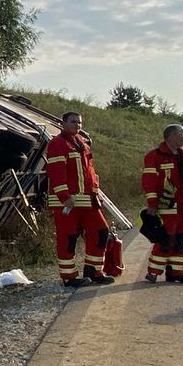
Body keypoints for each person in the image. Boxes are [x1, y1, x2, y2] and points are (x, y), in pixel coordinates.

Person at [44, 112, 114, 287]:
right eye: (73, 122)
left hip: (87, 199)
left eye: (79, 122)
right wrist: (64, 196)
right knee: (68, 238)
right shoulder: (57, 144)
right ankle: (69, 277)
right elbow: (56, 172)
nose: (77, 125)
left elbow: (89, 173)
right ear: (63, 123)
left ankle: (94, 271)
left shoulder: (82, 143)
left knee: (101, 231)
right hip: (68, 202)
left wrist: (95, 193)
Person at [142, 124, 183, 284]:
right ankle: (153, 272)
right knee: (166, 238)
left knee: (181, 239)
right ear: (170, 136)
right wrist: (152, 204)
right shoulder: (154, 156)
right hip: (167, 204)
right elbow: (149, 182)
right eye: (182, 134)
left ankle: (177, 272)